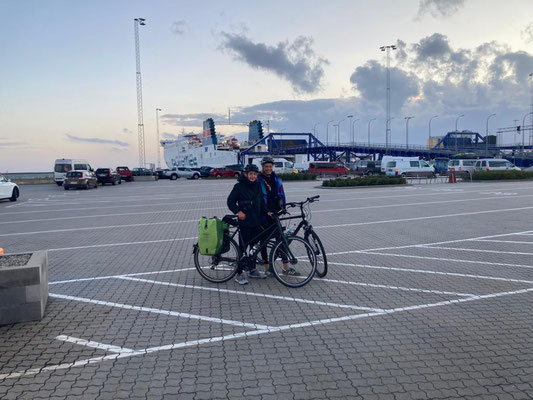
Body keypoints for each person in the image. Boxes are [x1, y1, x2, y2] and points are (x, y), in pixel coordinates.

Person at [258, 157, 300, 277]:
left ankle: (286, 267)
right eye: (266, 166)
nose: (268, 168)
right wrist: (265, 211)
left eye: (270, 166)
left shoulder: (276, 179)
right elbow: (258, 198)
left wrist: (283, 207)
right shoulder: (259, 180)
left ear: (273, 167)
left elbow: (281, 193)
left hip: (275, 213)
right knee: (263, 242)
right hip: (263, 214)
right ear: (263, 167)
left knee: (281, 240)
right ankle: (267, 267)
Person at [227, 164, 267, 285]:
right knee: (243, 249)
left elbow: (261, 203)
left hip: (256, 221)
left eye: (255, 174)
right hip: (244, 221)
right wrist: (238, 211)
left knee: (254, 248)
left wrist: (268, 212)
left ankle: (252, 270)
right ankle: (239, 274)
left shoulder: (258, 186)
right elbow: (230, 202)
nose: (253, 176)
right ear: (245, 174)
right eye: (250, 174)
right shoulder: (239, 186)